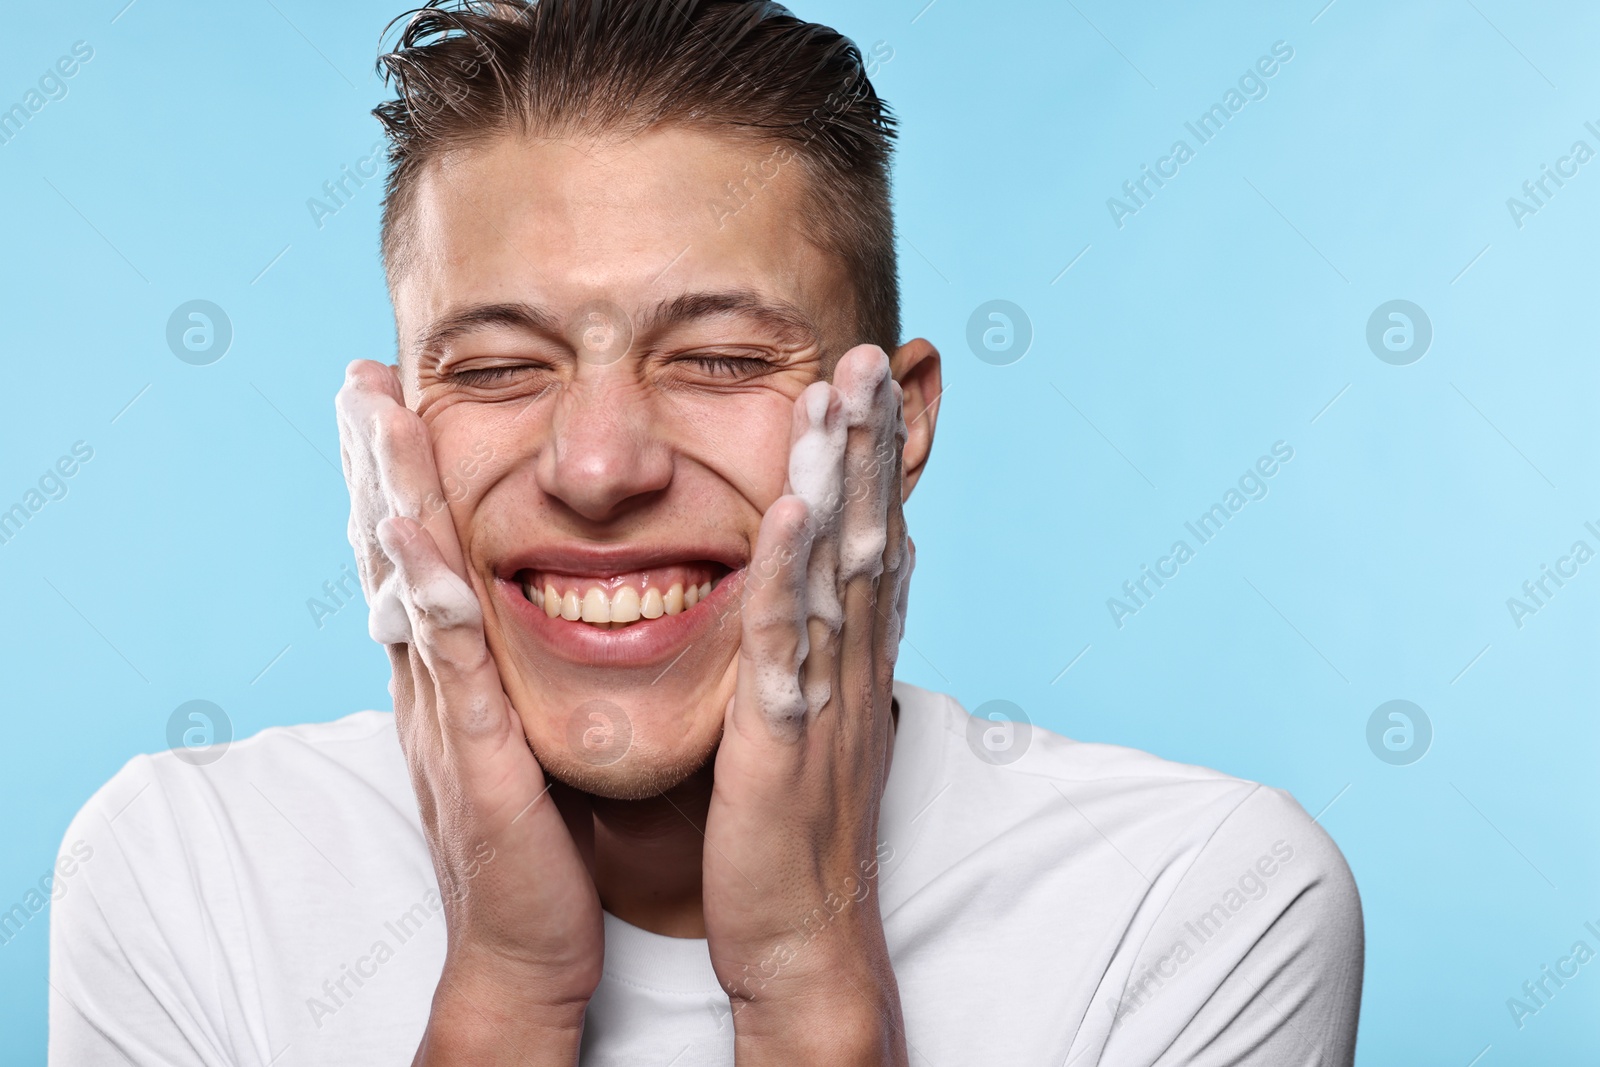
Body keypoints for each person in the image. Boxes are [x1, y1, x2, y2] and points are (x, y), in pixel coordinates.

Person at [49, 2, 1364, 1064]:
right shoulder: (183, 876)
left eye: (726, 358)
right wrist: (508, 995)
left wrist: (806, 981)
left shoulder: (1199, 902)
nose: (601, 465)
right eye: (499, 368)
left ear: (894, 428)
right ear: (389, 430)